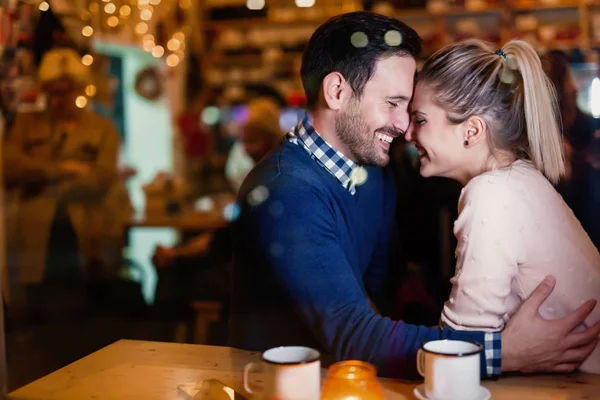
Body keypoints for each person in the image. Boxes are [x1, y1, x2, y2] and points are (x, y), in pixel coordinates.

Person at [230, 12, 600, 379]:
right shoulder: (288, 193)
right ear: (337, 92)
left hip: (341, 378)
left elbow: (392, 291)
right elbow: (353, 332)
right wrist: (502, 351)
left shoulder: (372, 172)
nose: (404, 125)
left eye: (410, 111)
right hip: (276, 384)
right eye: (392, 104)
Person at [407, 39, 600, 373]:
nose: (407, 133)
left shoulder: (490, 196)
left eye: (420, 120)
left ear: (472, 130)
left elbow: (456, 352)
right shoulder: (518, 179)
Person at [4, 47, 120, 322]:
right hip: (35, 238)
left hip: (86, 234)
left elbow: (101, 179)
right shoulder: (26, 124)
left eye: (64, 92)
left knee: (83, 315)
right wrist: (62, 170)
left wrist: (44, 183)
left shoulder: (101, 128)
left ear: (78, 89)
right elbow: (9, 165)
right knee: (39, 314)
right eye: (52, 92)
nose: (57, 100)